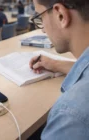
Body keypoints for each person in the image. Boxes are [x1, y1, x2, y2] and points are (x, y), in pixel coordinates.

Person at [29, 0, 89, 139]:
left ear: (60, 15)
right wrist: (56, 64)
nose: (43, 29)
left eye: (40, 17)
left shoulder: (71, 115)